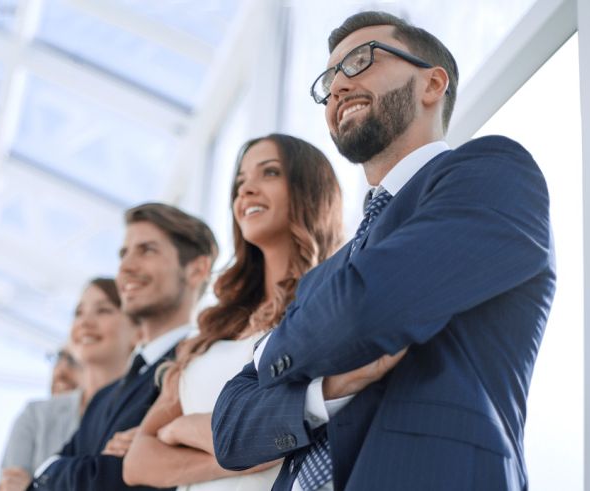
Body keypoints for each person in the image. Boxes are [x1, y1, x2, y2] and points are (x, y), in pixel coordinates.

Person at [212, 10, 555, 491]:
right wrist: (324, 391)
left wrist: (270, 344)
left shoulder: (493, 173)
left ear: (433, 83)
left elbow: (363, 311)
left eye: (358, 62)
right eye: (328, 80)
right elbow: (228, 431)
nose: (336, 88)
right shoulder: (325, 276)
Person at [122, 134, 344, 490]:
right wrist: (236, 452)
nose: (247, 190)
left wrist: (182, 429)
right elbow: (137, 463)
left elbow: (284, 430)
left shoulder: (327, 303)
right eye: (240, 182)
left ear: (309, 190)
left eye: (269, 173)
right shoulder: (217, 324)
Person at [29, 203, 218, 491]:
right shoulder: (103, 398)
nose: (126, 268)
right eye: (123, 254)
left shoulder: (200, 368)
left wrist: (55, 469)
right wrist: (51, 470)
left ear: (197, 270)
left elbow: (121, 481)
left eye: (147, 250)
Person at [0, 278, 137, 491]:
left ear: (137, 330)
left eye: (103, 310)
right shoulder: (36, 415)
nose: (85, 322)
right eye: (78, 312)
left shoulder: (144, 407)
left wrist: (37, 485)